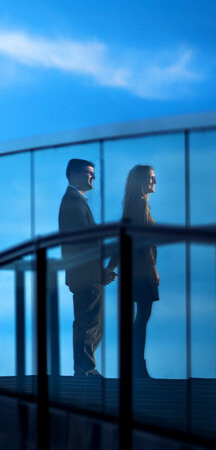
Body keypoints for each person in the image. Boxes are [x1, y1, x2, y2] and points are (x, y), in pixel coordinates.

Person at [58, 158, 115, 377]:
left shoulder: (74, 200)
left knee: (88, 320)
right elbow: (83, 244)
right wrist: (99, 272)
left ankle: (84, 366)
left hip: (82, 272)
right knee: (90, 321)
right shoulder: (73, 201)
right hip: (85, 273)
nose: (93, 177)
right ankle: (85, 367)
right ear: (73, 174)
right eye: (88, 173)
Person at [121, 164, 159, 378]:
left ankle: (136, 364)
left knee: (140, 317)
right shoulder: (141, 203)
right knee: (142, 317)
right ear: (141, 181)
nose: (154, 182)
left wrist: (112, 266)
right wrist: (153, 270)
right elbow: (144, 242)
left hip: (134, 271)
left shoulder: (131, 205)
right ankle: (137, 365)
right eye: (151, 178)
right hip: (142, 272)